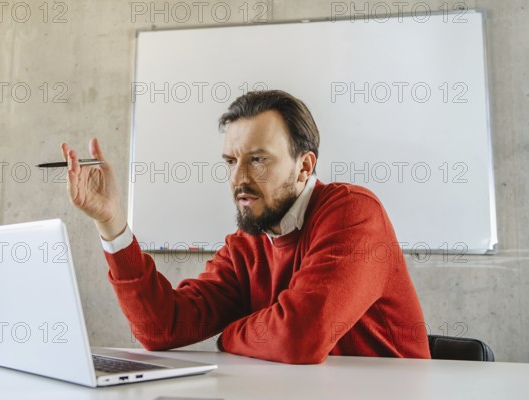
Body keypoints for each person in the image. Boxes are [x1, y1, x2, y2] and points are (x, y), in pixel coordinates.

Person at [61, 90, 431, 364]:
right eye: (230, 161)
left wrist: (230, 334)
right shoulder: (250, 241)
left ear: (304, 167)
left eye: (257, 160)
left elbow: (300, 336)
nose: (238, 179)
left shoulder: (353, 213)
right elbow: (162, 328)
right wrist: (111, 222)